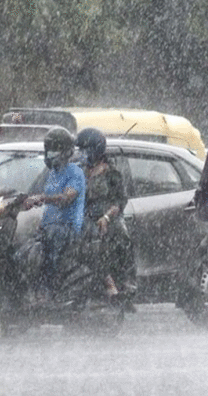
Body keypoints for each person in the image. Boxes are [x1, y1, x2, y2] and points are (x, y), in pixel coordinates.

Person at [75, 128, 136, 301]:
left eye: (85, 150)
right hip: (85, 217)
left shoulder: (112, 173)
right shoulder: (79, 172)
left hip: (108, 217)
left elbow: (119, 201)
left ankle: (128, 282)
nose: (81, 154)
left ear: (95, 150)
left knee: (123, 237)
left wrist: (107, 217)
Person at [24, 126, 86, 297]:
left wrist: (43, 198)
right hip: (49, 227)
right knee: (25, 252)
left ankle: (49, 290)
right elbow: (37, 196)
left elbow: (67, 197)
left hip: (67, 228)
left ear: (66, 151)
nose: (51, 153)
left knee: (49, 254)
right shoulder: (52, 173)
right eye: (49, 148)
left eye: (55, 148)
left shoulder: (75, 172)